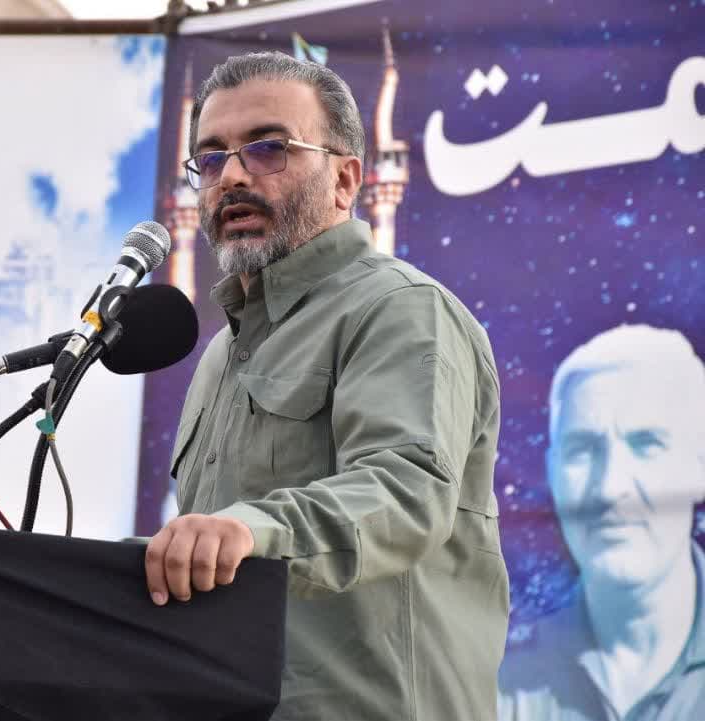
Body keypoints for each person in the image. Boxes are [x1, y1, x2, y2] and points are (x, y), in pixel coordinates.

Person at [143, 51, 508, 721]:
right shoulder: (221, 354)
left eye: (268, 149)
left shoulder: (399, 309)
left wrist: (248, 531)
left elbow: (405, 492)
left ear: (345, 180)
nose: (232, 176)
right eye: (212, 158)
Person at [498, 325, 705, 721]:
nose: (610, 488)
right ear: (553, 474)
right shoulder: (495, 682)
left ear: (700, 464)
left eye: (647, 444)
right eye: (582, 450)